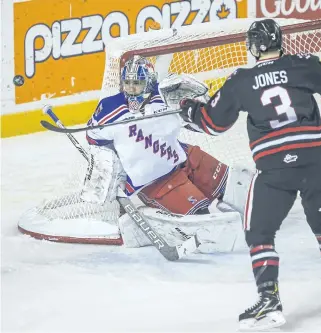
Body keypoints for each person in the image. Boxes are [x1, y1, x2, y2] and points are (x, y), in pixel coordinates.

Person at [174, 18, 321, 330]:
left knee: (259, 233)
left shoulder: (241, 80)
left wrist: (189, 109)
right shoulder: (302, 63)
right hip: (317, 163)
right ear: (279, 41)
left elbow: (213, 124)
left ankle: (269, 300)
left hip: (275, 170)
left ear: (251, 47)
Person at [82, 55, 252, 249]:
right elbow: (94, 140)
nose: (131, 89)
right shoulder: (109, 108)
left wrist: (197, 108)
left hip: (185, 159)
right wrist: (117, 165)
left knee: (234, 185)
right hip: (156, 180)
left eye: (136, 84)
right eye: (127, 83)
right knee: (202, 217)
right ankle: (149, 226)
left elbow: (198, 123)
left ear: (148, 83)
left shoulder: (166, 94)